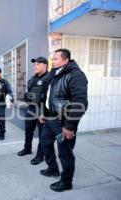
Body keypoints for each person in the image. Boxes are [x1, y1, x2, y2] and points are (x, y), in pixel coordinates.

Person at [40, 49, 88, 192]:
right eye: (52, 59)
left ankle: (66, 182)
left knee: (65, 152)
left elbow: (80, 103)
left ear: (66, 60)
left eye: (55, 59)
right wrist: (44, 112)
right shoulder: (55, 73)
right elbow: (47, 94)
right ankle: (53, 168)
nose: (52, 61)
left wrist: (70, 126)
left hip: (64, 120)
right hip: (51, 116)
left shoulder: (76, 75)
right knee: (45, 142)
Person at [17, 57, 54, 166]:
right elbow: (29, 93)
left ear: (45, 65)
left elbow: (48, 97)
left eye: (37, 64)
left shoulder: (49, 78)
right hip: (31, 109)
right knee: (28, 131)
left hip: (42, 110)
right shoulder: (33, 78)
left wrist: (42, 112)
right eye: (34, 64)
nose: (35, 66)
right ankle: (27, 148)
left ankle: (40, 155)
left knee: (42, 135)